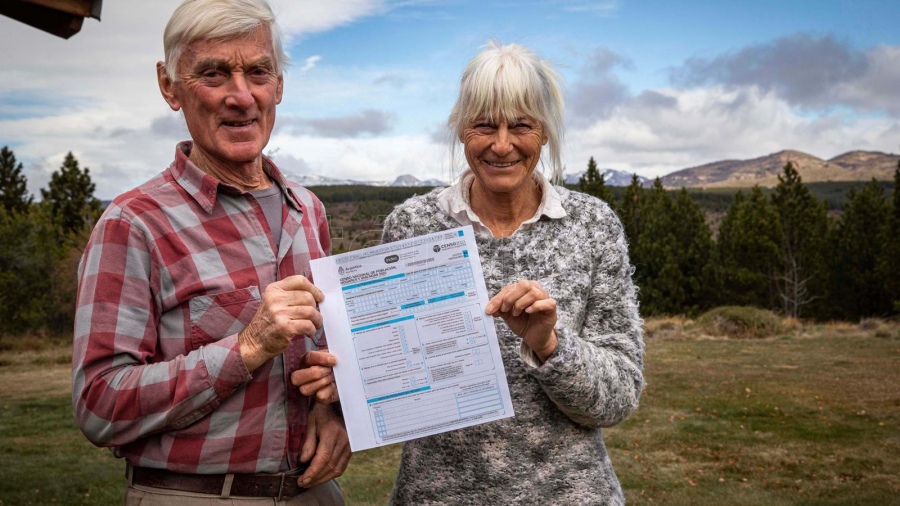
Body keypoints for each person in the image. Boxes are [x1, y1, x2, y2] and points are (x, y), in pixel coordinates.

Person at [71, 0, 348, 503]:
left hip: (314, 491)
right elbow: (99, 404)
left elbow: (327, 354)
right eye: (214, 74)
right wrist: (247, 347)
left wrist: (339, 407)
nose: (241, 97)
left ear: (279, 85)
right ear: (169, 86)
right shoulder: (134, 224)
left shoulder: (309, 210)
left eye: (258, 72)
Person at [381, 41, 645, 505]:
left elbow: (618, 397)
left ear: (543, 133)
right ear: (461, 130)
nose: (501, 145)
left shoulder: (592, 225)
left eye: (520, 125)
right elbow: (387, 371)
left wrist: (549, 345)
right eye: (484, 125)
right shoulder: (412, 226)